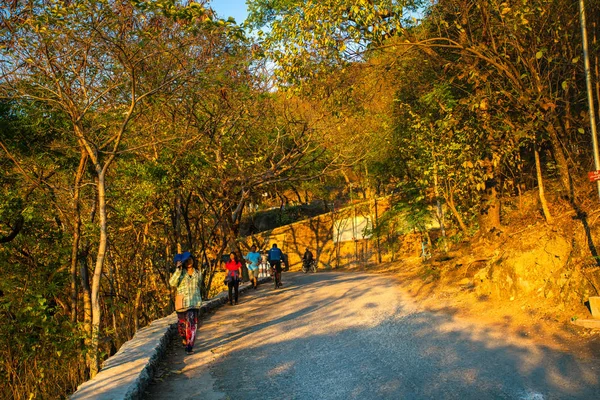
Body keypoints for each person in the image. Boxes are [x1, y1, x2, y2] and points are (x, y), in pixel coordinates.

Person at [169, 252, 202, 355]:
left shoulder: (198, 273)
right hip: (182, 303)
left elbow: (199, 285)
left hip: (194, 303)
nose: (188, 262)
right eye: (186, 261)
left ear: (193, 260)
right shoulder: (180, 273)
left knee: (192, 324)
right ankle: (184, 338)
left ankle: (189, 346)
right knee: (182, 326)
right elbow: (172, 283)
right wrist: (177, 269)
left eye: (190, 260)